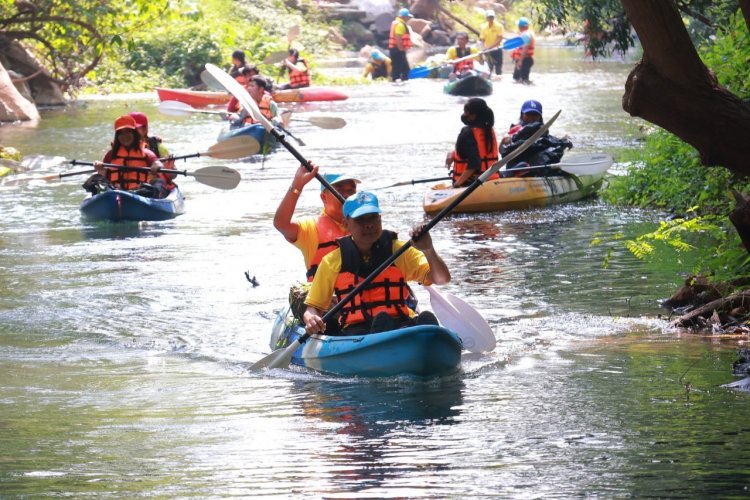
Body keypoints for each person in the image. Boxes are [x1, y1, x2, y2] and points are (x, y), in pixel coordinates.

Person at [302, 191, 451, 335]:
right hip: (356, 332)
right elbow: (313, 309)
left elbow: (441, 279)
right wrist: (311, 319)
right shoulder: (332, 261)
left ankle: (424, 337)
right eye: (361, 219)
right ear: (346, 224)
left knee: (423, 319)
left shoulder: (399, 250)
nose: (369, 225)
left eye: (373, 217)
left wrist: (428, 249)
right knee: (382, 321)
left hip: (400, 323)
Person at [274, 164, 360, 282]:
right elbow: (281, 224)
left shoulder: (367, 224)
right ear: (324, 197)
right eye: (339, 190)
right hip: (327, 299)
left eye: (351, 191)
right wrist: (297, 185)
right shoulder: (311, 228)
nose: (346, 195)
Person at [83, 115, 163, 196]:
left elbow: (157, 163)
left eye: (128, 132)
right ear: (117, 137)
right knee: (95, 179)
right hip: (115, 191)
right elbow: (104, 173)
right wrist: (99, 167)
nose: (125, 136)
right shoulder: (111, 154)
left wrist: (157, 166)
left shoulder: (146, 153)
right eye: (121, 133)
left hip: (139, 192)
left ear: (134, 134)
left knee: (158, 182)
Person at [501, 100, 572, 176]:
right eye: (528, 114)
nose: (531, 118)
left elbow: (549, 140)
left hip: (535, 166)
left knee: (554, 151)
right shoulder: (516, 130)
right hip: (517, 166)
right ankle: (514, 172)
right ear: (522, 115)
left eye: (535, 115)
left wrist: (563, 141)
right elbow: (504, 150)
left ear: (540, 116)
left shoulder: (542, 131)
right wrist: (506, 140)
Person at [445, 97, 499, 188]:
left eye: (466, 112)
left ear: (473, 116)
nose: (464, 115)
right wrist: (452, 153)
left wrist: (456, 184)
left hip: (471, 183)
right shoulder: (489, 130)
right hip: (492, 180)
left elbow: (474, 165)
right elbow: (477, 152)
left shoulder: (467, 133)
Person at [128, 111, 177, 198]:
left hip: (154, 185)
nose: (132, 132)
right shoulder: (119, 148)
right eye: (130, 129)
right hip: (130, 186)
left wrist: (168, 169)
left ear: (144, 129)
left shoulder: (158, 147)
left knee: (157, 183)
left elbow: (173, 175)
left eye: (136, 129)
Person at [388, 8, 413, 82]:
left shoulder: (396, 23)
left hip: (394, 49)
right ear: (404, 17)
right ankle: (403, 84)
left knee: (396, 69)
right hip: (398, 50)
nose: (408, 18)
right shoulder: (400, 25)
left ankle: (395, 83)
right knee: (405, 69)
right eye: (407, 17)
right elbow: (398, 37)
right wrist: (401, 49)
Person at [479, 10, 505, 78]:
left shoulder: (499, 26)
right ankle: (488, 79)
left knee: (498, 67)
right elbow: (482, 39)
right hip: (488, 51)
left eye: (492, 17)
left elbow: (499, 39)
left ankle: (499, 78)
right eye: (489, 17)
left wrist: (490, 47)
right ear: (486, 18)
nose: (491, 19)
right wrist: (483, 48)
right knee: (489, 67)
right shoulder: (483, 27)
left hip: (497, 49)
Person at [511, 17, 535, 84]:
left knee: (524, 80)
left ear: (520, 26)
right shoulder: (526, 33)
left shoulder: (526, 35)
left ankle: (528, 90)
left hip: (525, 60)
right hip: (524, 59)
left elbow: (525, 48)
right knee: (516, 78)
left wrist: (520, 61)